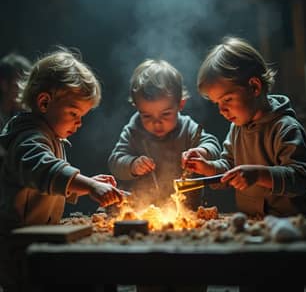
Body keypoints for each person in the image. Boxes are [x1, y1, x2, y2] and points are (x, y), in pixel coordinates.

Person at [0, 48, 124, 291]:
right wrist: (89, 184)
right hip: (17, 248)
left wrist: (87, 184)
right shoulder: (28, 138)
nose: (79, 122)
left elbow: (46, 186)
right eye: (74, 113)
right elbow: (46, 171)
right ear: (44, 102)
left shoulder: (48, 136)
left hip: (36, 240)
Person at [184, 36, 306, 219]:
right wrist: (207, 168)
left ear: (254, 87)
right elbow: (228, 168)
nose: (222, 110)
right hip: (251, 222)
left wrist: (259, 175)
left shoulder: (285, 127)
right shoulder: (237, 128)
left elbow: (300, 179)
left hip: (288, 224)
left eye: (227, 99)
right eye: (217, 103)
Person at [108, 59, 221, 212]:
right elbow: (115, 162)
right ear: (136, 107)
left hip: (187, 212)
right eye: (147, 116)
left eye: (165, 114)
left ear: (180, 104)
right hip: (143, 212)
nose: (156, 123)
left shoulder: (187, 128)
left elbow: (212, 144)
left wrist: (202, 152)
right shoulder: (134, 131)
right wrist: (132, 164)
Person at [0, 52, 32, 129]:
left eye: (26, 84)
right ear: (4, 84)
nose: (24, 90)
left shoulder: (21, 114)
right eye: (18, 84)